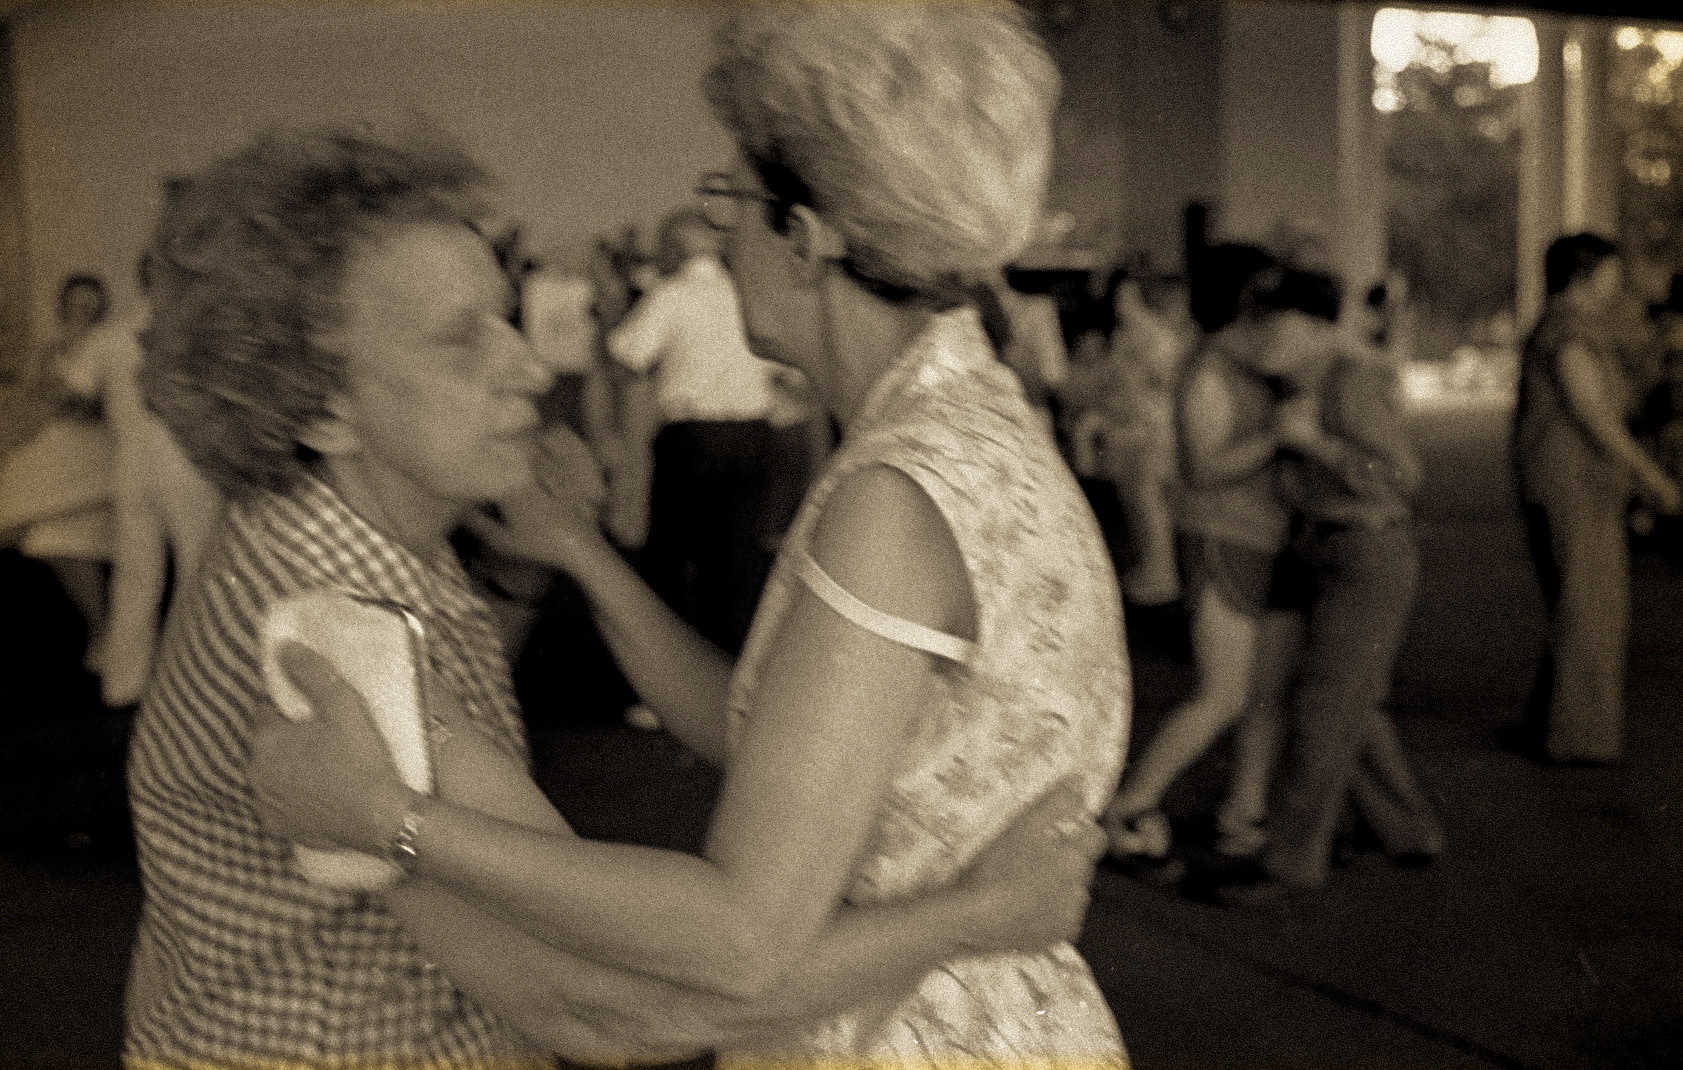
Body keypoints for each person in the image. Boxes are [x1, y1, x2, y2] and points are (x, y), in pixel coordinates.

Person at [251, 7, 1130, 1067]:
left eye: (734, 201)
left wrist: (389, 818)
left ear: (807, 238)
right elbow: (782, 741)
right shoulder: (954, 427)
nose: (721, 231)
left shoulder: (898, 495)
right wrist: (580, 554)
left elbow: (738, 933)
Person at [1202, 269, 1445, 907]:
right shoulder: (1295, 381)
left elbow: (1402, 475)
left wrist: (1317, 445)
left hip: (1366, 548)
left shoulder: (1351, 378)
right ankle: (1408, 832)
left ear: (1309, 324)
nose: (1257, 337)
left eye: (1270, 321)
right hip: (1319, 545)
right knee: (1348, 702)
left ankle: (1290, 864)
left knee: (1324, 710)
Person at [1102, 247, 1303, 864]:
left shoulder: (1249, 364)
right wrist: (1278, 439)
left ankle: (1242, 813)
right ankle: (1127, 806)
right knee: (1222, 695)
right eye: (1265, 295)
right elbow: (1201, 467)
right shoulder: (1210, 369)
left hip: (1261, 538)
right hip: (1222, 539)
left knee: (1260, 696)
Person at [1511, 234, 1682, 766]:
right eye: (1612, 270)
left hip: (1576, 482)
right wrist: (1652, 477)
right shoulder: (1570, 330)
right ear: (1587, 273)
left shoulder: (1575, 326)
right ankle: (1579, 740)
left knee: (1580, 603)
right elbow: (1593, 414)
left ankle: (1553, 726)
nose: (1620, 279)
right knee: (1591, 607)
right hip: (1573, 482)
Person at [605, 205, 785, 654]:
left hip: (693, 440)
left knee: (672, 559)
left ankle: (668, 676)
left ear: (676, 248)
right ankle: (731, 678)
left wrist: (611, 306)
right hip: (756, 436)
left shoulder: (672, 294)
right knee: (738, 564)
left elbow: (624, 358)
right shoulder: (746, 294)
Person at [89, 249, 224, 708]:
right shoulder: (191, 336)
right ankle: (189, 683)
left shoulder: (113, 335)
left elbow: (79, 394)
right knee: (193, 567)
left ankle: (126, 684)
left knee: (139, 571)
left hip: (136, 458)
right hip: (174, 456)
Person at [0, 273, 116, 669]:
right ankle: (99, 633)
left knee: (68, 538)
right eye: (76, 304)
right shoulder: (50, 351)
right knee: (47, 539)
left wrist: (69, 399)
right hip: (51, 453)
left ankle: (103, 634)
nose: (82, 311)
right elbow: (28, 398)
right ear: (63, 306)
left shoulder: (108, 347)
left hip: (89, 458)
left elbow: (99, 410)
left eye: (91, 305)